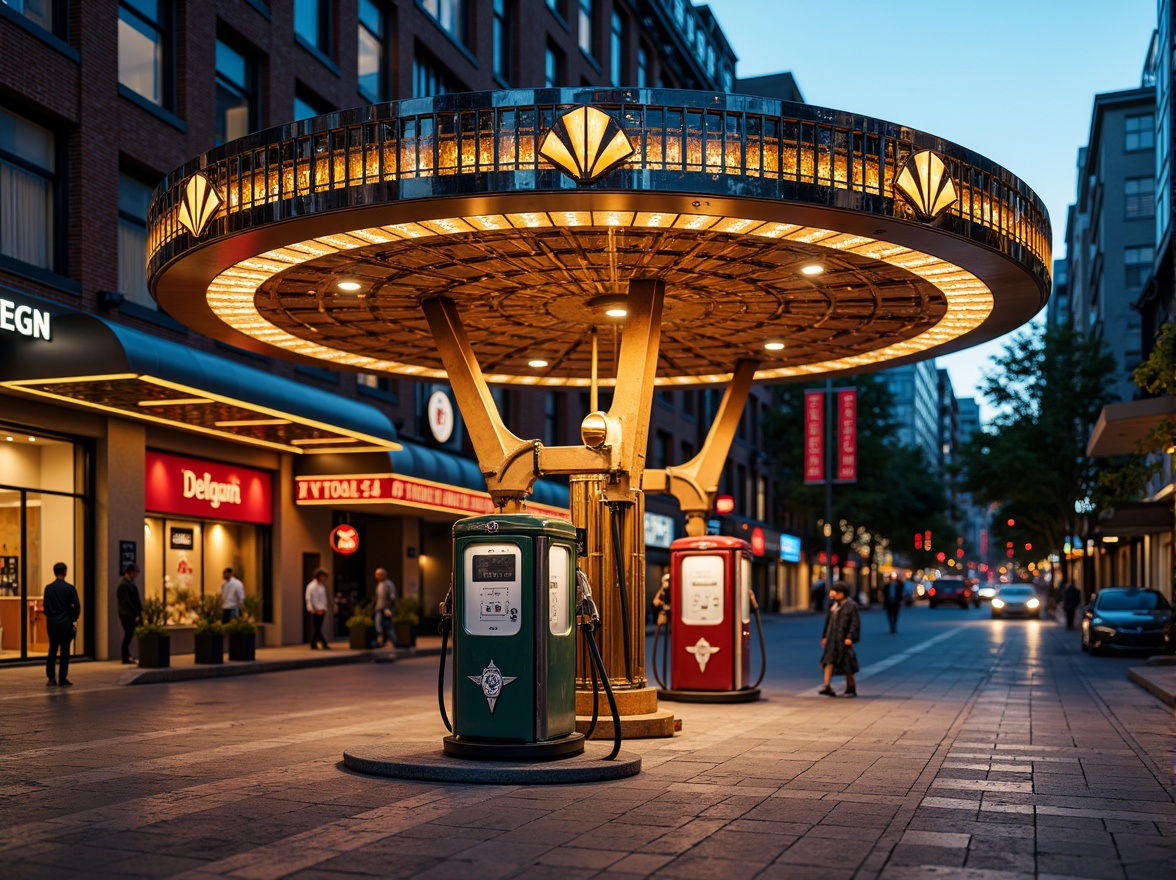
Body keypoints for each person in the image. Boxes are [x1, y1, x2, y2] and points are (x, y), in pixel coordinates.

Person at [819, 581, 861, 697]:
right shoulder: (833, 606)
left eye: (835, 593)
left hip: (843, 639)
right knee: (827, 661)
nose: (832, 596)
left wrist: (850, 637)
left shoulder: (851, 606)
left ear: (842, 593)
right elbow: (828, 623)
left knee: (848, 664)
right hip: (832, 638)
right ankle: (827, 686)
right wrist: (824, 636)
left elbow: (854, 623)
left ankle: (851, 688)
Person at [43, 562, 80, 687]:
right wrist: (73, 618)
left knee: (52, 649)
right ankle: (62, 678)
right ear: (65, 571)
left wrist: (50, 615)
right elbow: (77, 605)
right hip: (65, 623)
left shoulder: (48, 588)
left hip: (52, 623)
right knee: (65, 651)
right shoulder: (70, 588)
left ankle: (51, 678)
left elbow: (46, 607)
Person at [116, 564, 143, 665]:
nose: (136, 574)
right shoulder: (124, 585)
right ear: (130, 572)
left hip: (132, 614)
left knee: (130, 635)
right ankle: (125, 657)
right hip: (128, 616)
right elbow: (126, 602)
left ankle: (128, 656)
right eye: (135, 572)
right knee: (128, 635)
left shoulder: (130, 583)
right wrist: (135, 613)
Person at [373, 567, 398, 647]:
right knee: (380, 625)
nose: (377, 576)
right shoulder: (379, 584)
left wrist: (388, 608)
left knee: (386, 625)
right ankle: (383, 641)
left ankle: (393, 641)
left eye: (379, 574)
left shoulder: (389, 584)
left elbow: (392, 597)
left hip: (385, 608)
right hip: (379, 608)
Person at [305, 568, 330, 649]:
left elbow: (323, 598)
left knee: (318, 627)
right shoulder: (312, 586)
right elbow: (310, 598)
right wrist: (312, 609)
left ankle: (313, 643)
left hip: (322, 608)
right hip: (316, 609)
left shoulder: (321, 586)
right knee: (317, 627)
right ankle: (323, 643)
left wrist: (325, 608)